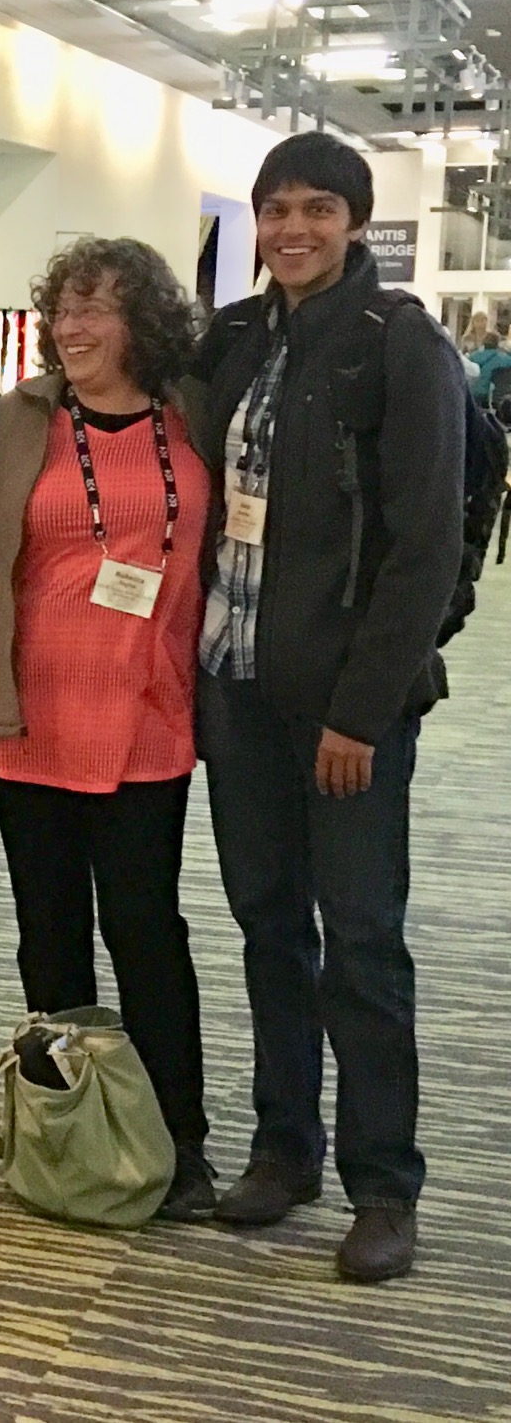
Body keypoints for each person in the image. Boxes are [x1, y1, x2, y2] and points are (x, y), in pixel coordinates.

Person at [189, 133, 465, 1282]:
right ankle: (281, 1147)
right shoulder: (237, 336)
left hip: (344, 709)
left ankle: (381, 1183)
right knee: (264, 928)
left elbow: (421, 548)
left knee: (358, 940)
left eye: (316, 208)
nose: (291, 228)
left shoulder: (398, 345)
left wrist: (360, 712)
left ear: (354, 221)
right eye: (274, 209)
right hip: (234, 686)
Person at [0, 236, 216, 1222]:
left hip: (148, 714)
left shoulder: (192, 415)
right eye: (60, 308)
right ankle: (66, 1130)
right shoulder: (19, 418)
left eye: (94, 308)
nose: (69, 327)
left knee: (146, 932)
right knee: (48, 938)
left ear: (140, 322)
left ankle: (177, 1138)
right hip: (31, 713)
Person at [466, 330, 511, 407]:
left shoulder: (473, 356)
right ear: (498, 343)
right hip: (491, 395)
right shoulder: (505, 358)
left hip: (473, 392)